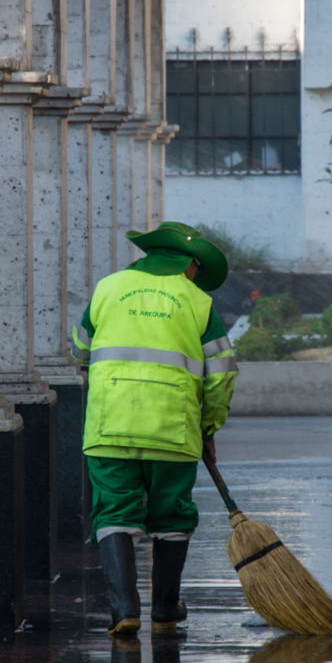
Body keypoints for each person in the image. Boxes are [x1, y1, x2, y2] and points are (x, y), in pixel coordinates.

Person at [72, 221, 237, 636]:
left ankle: (124, 609)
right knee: (172, 515)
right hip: (173, 429)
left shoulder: (108, 288)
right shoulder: (198, 302)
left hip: (110, 426)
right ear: (189, 265)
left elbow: (79, 347)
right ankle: (164, 608)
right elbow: (222, 375)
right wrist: (209, 426)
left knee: (113, 511)